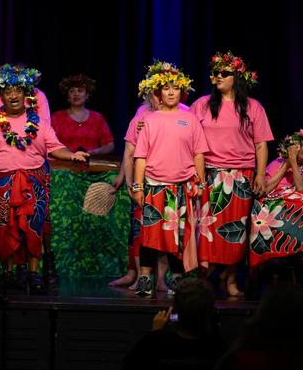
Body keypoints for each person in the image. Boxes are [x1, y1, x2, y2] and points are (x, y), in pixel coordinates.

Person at [0, 64, 88, 294]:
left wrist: (72, 155)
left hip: (34, 182)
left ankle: (33, 275)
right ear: (1, 96)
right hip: (2, 184)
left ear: (26, 95)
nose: (13, 95)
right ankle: (8, 275)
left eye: (18, 91)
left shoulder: (39, 124)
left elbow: (55, 147)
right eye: (8, 91)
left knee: (33, 228)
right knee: (4, 228)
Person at [190, 52, 273, 297]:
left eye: (224, 73)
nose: (217, 77)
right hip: (210, 176)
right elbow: (183, 129)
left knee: (236, 231)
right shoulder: (202, 105)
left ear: (237, 76)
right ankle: (204, 279)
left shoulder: (253, 107)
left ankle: (231, 278)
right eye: (215, 72)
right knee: (207, 231)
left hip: (240, 176)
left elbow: (261, 144)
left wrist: (260, 175)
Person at [110, 62, 190, 288]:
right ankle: (141, 276)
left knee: (170, 230)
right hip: (145, 182)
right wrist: (129, 181)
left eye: (170, 88)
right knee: (142, 231)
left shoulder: (184, 114)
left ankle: (162, 280)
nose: (162, 95)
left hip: (173, 181)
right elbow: (129, 152)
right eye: (158, 91)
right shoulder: (141, 117)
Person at [131, 64, 207, 297]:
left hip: (181, 187)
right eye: (166, 88)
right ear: (158, 93)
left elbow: (198, 154)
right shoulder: (150, 120)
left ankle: (176, 279)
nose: (171, 92)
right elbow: (140, 156)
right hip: (154, 185)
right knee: (149, 235)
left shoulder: (190, 119)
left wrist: (200, 182)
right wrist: (137, 186)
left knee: (179, 234)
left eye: (175, 88)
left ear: (182, 92)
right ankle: (145, 278)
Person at [251, 128, 303, 285]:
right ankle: (265, 257)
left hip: (299, 202)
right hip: (276, 200)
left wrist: (294, 164)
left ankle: (300, 252)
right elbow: (266, 190)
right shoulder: (276, 164)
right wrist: (285, 166)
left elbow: (300, 188)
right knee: (261, 208)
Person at [122, 278, 227, 370]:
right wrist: (214, 330)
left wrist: (155, 333)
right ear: (211, 313)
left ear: (174, 312)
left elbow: (130, 369)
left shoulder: (156, 344)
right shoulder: (218, 346)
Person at [51, 73, 114, 155]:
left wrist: (94, 152)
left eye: (80, 90)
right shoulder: (57, 117)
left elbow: (109, 145)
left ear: (87, 95)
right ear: (68, 96)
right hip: (62, 165)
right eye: (71, 91)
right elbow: (49, 144)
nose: (76, 94)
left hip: (91, 164)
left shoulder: (97, 118)